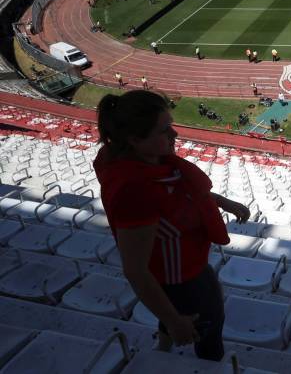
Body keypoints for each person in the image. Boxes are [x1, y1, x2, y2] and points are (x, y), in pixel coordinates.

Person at [93, 91, 251, 361]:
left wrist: (222, 201)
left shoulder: (148, 163)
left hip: (183, 268)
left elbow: (174, 200)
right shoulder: (135, 190)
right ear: (134, 139)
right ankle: (208, 364)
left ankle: (163, 348)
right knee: (210, 329)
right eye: (164, 130)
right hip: (182, 278)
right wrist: (175, 321)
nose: (175, 135)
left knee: (194, 311)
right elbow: (135, 270)